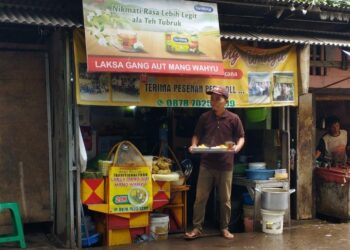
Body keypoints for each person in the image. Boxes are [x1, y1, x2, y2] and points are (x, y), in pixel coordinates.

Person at [185, 86, 245, 240]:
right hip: (207, 164)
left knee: (225, 200)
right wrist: (194, 145)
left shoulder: (234, 118)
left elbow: (241, 137)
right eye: (212, 98)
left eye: (218, 98)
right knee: (200, 198)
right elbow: (196, 135)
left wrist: (236, 148)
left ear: (226, 101)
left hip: (225, 165)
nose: (214, 101)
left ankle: (224, 228)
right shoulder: (204, 117)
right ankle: (197, 228)